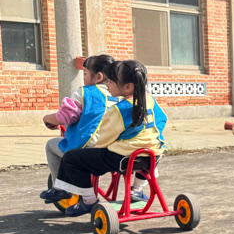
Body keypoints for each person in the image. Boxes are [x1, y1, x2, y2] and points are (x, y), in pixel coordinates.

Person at [51, 60, 167, 216]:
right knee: (143, 155)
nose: (107, 85)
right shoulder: (150, 101)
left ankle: (89, 201)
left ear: (128, 87)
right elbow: (162, 120)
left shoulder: (119, 110)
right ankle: (137, 189)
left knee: (71, 158)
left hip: (122, 158)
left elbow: (103, 140)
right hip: (152, 156)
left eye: (111, 82)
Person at [39, 54, 119, 201]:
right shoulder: (119, 94)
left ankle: (59, 188)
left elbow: (65, 117)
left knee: (51, 145)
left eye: (85, 74)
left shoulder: (85, 92)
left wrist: (47, 118)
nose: (84, 78)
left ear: (98, 77)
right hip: (113, 149)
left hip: (87, 148)